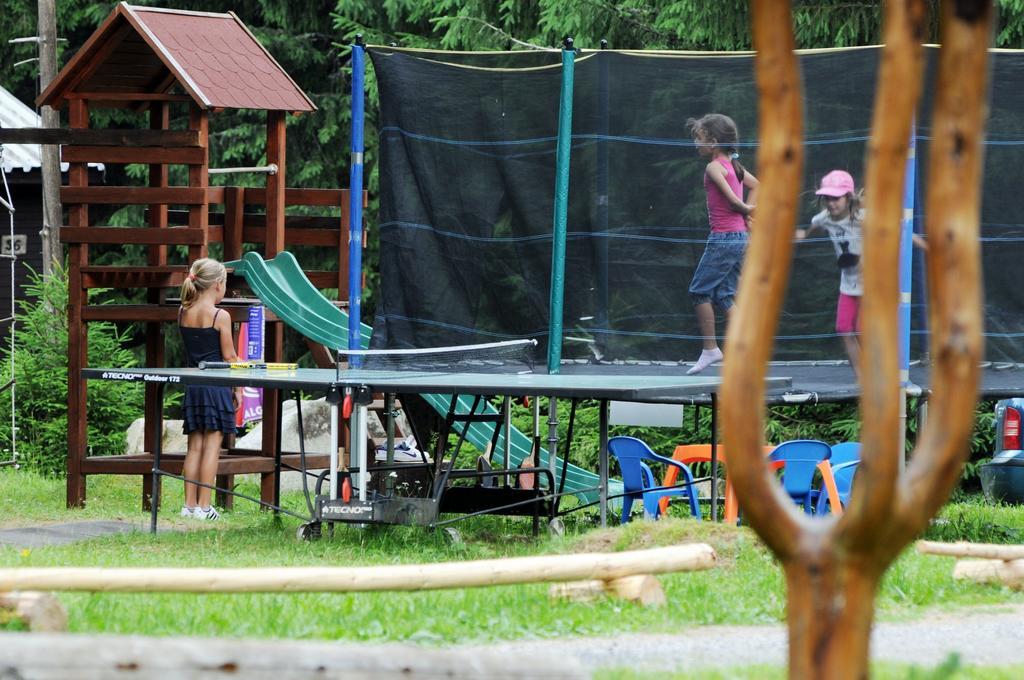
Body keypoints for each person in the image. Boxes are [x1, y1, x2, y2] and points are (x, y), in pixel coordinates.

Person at [795, 170, 926, 377]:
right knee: (844, 328)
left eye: (835, 198)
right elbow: (806, 232)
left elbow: (902, 229)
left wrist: (927, 247)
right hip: (849, 283)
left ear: (848, 197)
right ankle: (862, 376)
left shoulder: (864, 217)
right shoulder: (824, 218)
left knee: (862, 329)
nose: (831, 203)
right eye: (827, 198)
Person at [685, 113, 759, 374]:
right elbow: (757, 185)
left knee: (699, 291)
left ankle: (710, 349)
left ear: (714, 141)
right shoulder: (734, 166)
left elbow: (734, 204)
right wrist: (750, 215)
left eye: (699, 139)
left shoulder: (714, 167)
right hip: (739, 238)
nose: (696, 144)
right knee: (724, 295)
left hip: (725, 239)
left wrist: (750, 211)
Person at [178, 258, 241, 520]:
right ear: (217, 285)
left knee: (194, 447)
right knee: (212, 447)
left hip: (194, 386)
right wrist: (238, 388)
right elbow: (230, 358)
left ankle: (189, 506)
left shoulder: (183, 311)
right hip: (216, 387)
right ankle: (205, 507)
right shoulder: (220, 316)